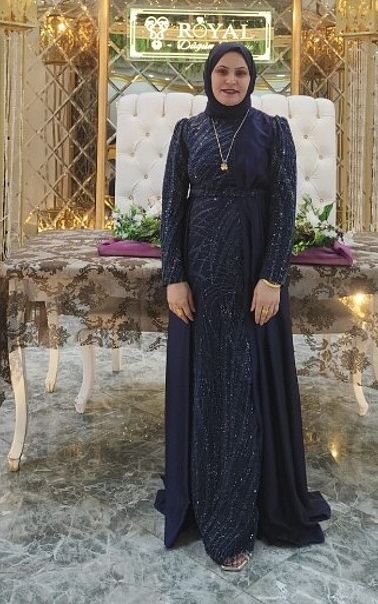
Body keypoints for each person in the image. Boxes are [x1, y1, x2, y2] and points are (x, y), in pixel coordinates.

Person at [154, 41, 330, 572]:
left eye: (241, 73)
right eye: (222, 72)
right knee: (209, 386)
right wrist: (174, 278)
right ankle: (205, 500)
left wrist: (272, 278)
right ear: (208, 76)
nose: (231, 80)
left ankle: (249, 508)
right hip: (201, 278)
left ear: (252, 79)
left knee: (246, 386)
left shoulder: (273, 131)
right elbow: (171, 207)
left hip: (255, 275)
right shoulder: (187, 132)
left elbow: (284, 206)